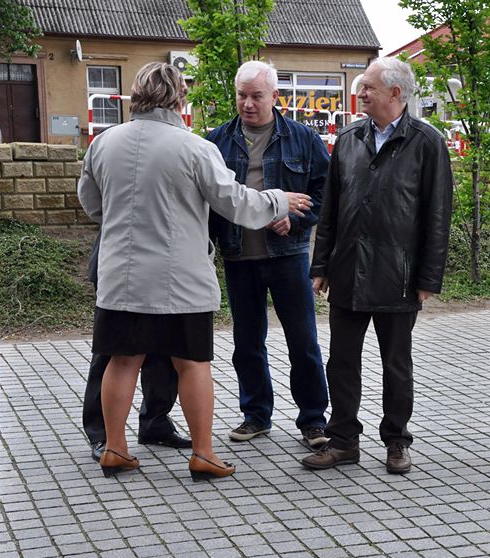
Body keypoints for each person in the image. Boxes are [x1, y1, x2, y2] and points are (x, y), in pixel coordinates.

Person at [77, 62, 312, 481]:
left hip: (121, 275)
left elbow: (92, 204)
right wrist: (278, 200)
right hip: (178, 279)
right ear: (177, 97)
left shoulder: (104, 143)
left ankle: (114, 448)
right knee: (192, 363)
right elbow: (235, 203)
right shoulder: (195, 147)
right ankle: (203, 454)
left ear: (136, 94)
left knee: (122, 361)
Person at [301, 57, 453, 474]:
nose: (360, 93)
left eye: (367, 87)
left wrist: (427, 277)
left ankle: (397, 441)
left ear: (394, 93)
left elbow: (438, 215)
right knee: (342, 362)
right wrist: (321, 265)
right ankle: (344, 441)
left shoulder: (426, 142)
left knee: (396, 365)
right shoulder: (348, 138)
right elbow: (330, 208)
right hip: (348, 271)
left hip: (398, 274)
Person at [207, 61, 329, 449]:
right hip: (238, 256)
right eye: (242, 95)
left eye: (256, 96)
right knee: (247, 342)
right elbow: (208, 201)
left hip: (288, 256)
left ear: (275, 97)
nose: (247, 103)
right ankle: (256, 415)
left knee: (303, 342)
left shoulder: (303, 138)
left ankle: (313, 420)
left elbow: (328, 194)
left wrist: (297, 220)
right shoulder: (216, 141)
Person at [82, 233, 191, 462]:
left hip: (166, 264)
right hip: (121, 262)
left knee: (165, 346)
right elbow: (93, 203)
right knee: (113, 351)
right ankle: (102, 435)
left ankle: (156, 422)